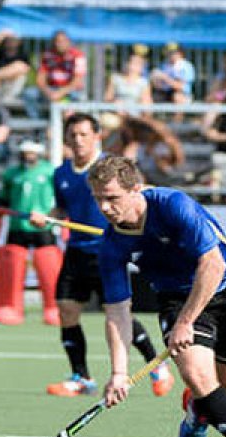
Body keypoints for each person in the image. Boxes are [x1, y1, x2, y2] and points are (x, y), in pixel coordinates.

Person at [89, 156, 226, 437]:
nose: (105, 208)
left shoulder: (173, 205)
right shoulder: (111, 244)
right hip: (175, 297)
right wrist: (118, 373)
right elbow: (118, 312)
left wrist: (186, 322)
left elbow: (213, 264)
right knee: (195, 373)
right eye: (98, 199)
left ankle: (198, 410)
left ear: (136, 189)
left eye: (112, 198)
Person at [30, 113, 173, 397]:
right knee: (67, 309)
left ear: (97, 136)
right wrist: (47, 218)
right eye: (73, 135)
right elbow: (62, 211)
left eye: (84, 134)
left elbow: (139, 197)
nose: (78, 141)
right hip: (76, 251)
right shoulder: (61, 173)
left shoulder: (111, 168)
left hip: (108, 251)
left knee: (118, 313)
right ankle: (81, 377)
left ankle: (157, 365)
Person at [0, 140, 61, 325]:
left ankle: (54, 307)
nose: (28, 156)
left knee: (49, 266)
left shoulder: (50, 171)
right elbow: (4, 200)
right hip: (17, 226)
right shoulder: (12, 174)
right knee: (12, 264)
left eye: (31, 152)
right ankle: (10, 306)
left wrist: (53, 218)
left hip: (43, 227)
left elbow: (61, 200)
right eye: (25, 152)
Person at [22, 30, 86, 119]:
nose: (59, 44)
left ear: (69, 42)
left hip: (70, 91)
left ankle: (69, 121)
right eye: (57, 41)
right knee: (29, 93)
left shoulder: (78, 55)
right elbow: (40, 80)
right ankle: (38, 124)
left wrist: (60, 93)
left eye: (62, 41)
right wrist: (50, 93)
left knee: (74, 99)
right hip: (52, 90)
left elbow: (77, 81)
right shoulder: (48, 55)